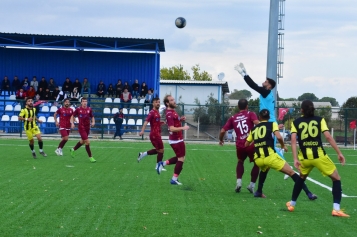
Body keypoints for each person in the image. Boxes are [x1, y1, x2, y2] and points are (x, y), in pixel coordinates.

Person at [235, 63, 317, 200]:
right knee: (267, 158)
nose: (264, 82)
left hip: (269, 123)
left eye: (266, 82)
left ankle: (286, 167)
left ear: (269, 86)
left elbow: (253, 86)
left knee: (271, 149)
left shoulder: (266, 92)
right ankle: (258, 190)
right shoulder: (267, 93)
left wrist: (244, 74)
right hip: (268, 122)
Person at [286, 100, 349, 217]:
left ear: (302, 110)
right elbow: (328, 137)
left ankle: (292, 204)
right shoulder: (320, 120)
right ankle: (336, 208)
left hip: (304, 157)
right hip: (318, 155)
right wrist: (339, 153)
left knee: (301, 178)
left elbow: (293, 140)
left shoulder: (297, 122)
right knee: (336, 178)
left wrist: (295, 158)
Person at [219, 99, 260, 193]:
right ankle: (251, 185)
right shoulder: (250, 114)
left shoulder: (233, 117)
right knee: (257, 164)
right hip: (250, 143)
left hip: (240, 144)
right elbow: (257, 123)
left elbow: (222, 131)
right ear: (247, 106)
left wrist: (221, 140)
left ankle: (239, 183)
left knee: (240, 161)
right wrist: (268, 126)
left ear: (238, 107)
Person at [157, 95, 189, 185]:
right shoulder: (169, 113)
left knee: (180, 158)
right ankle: (174, 179)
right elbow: (171, 128)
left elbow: (175, 123)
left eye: (173, 99)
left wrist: (180, 120)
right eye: (171, 100)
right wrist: (183, 128)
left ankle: (163, 164)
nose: (174, 101)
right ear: (167, 103)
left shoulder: (172, 111)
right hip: (176, 139)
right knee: (181, 159)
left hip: (177, 138)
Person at [138, 97, 166, 173]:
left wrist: (161, 123)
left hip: (157, 134)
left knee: (160, 150)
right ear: (153, 103)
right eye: (157, 102)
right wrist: (142, 131)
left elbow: (155, 122)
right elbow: (146, 122)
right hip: (154, 134)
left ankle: (143, 154)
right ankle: (158, 166)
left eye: (159, 102)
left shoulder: (157, 112)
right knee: (161, 150)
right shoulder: (152, 112)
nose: (158, 103)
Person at [70, 97, 96, 163]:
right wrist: (72, 123)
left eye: (86, 101)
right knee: (87, 142)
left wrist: (93, 122)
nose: (85, 102)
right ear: (81, 102)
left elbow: (92, 116)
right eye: (83, 101)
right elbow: (72, 116)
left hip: (87, 127)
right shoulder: (78, 109)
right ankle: (91, 157)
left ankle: (73, 149)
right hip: (81, 127)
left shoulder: (89, 109)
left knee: (82, 141)